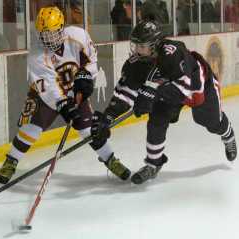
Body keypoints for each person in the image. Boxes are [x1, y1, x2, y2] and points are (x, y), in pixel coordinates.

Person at [91, 20, 237, 185]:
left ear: (154, 45)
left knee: (210, 122)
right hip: (167, 93)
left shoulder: (173, 53)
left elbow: (184, 88)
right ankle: (153, 164)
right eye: (135, 45)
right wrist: (108, 118)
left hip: (198, 88)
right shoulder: (136, 63)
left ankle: (228, 135)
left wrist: (152, 92)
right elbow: (124, 93)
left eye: (142, 46)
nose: (136, 50)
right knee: (156, 121)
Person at [0, 6, 130, 184]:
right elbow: (49, 87)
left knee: (89, 130)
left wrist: (85, 79)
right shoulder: (36, 55)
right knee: (31, 129)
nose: (49, 39)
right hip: (44, 97)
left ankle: (110, 159)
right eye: (45, 35)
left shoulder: (78, 36)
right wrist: (64, 105)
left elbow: (92, 60)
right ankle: (11, 161)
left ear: (62, 28)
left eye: (52, 34)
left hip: (74, 91)